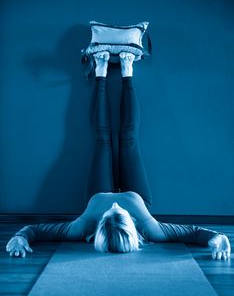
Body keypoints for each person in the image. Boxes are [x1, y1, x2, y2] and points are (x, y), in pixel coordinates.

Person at [6, 51, 231, 260]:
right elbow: (193, 233)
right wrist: (217, 237)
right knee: (129, 139)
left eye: (109, 212)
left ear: (97, 226)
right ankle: (127, 70)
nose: (114, 205)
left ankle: (101, 72)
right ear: (134, 225)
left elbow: (37, 230)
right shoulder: (150, 228)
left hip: (97, 194)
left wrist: (19, 237)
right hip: (138, 197)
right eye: (119, 211)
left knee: (103, 140)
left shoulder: (82, 227)